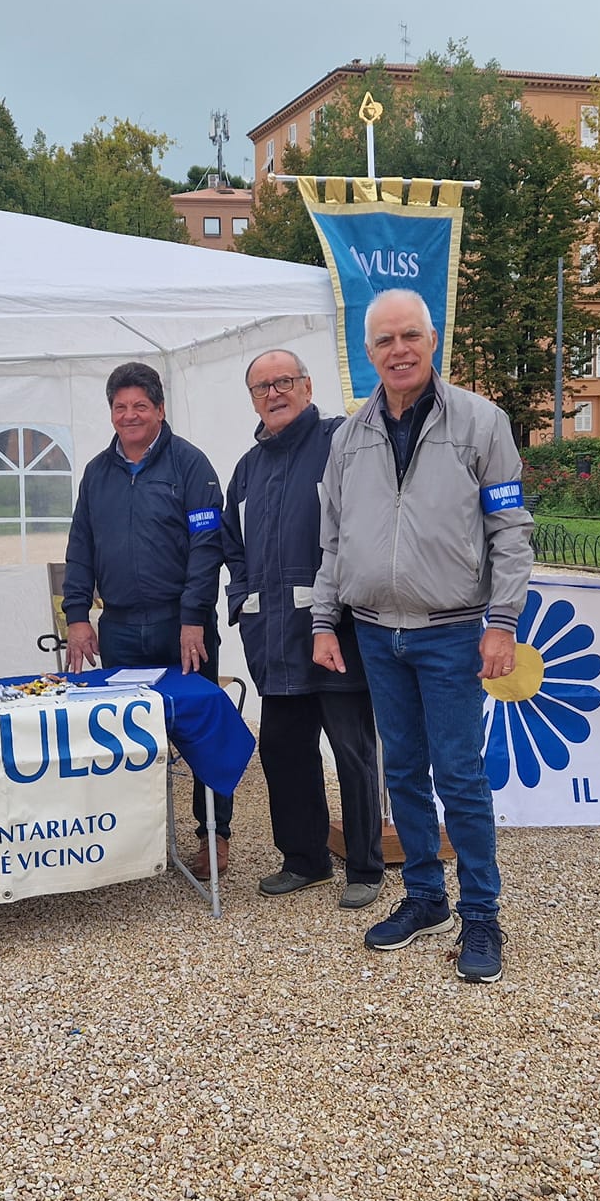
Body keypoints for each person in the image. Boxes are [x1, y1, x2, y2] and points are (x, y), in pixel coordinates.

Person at [310, 289, 534, 984]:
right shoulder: (348, 439)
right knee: (400, 773)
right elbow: (334, 540)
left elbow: (511, 531)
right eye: (384, 340)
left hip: (454, 631)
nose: (398, 350)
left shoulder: (480, 423)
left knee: (460, 777)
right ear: (368, 353)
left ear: (432, 341)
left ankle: (482, 914)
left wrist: (502, 623)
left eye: (410, 335)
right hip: (377, 634)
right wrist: (324, 619)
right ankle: (428, 899)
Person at [222, 348, 385, 909]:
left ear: (308, 387)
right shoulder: (246, 469)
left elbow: (359, 530)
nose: (274, 393)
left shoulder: (340, 443)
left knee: (352, 751)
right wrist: (240, 599)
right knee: (283, 752)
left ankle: (365, 866)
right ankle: (305, 860)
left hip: (334, 636)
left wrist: (338, 613)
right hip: (273, 642)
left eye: (284, 381)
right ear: (252, 399)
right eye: (262, 387)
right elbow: (232, 547)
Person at [61, 361, 232, 872]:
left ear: (159, 409)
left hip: (181, 627)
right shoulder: (96, 473)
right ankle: (134, 839)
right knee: (123, 734)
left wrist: (192, 617)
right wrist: (76, 615)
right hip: (117, 627)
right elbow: (80, 547)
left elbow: (207, 548)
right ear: (110, 413)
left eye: (140, 405)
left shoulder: (191, 465)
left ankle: (214, 836)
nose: (130, 415)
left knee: (200, 732)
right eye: (120, 407)